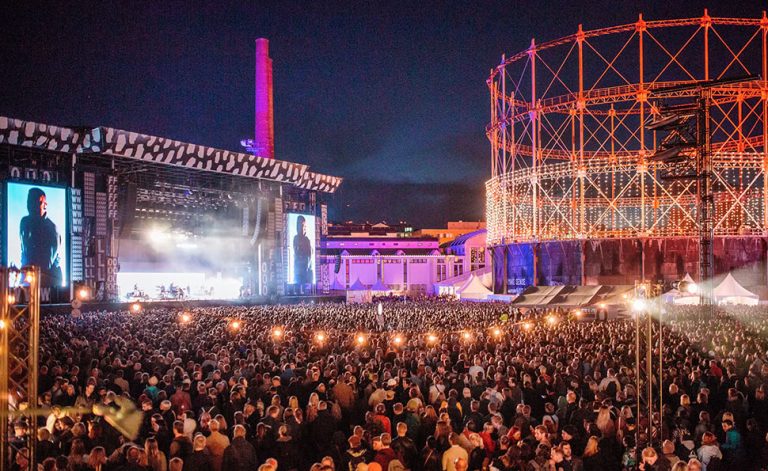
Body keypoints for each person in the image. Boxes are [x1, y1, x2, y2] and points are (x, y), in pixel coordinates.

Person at [19, 187, 62, 287]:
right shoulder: (25, 222)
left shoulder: (51, 228)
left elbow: (46, 263)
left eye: (34, 201)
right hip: (31, 279)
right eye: (29, 201)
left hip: (49, 283)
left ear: (44, 204)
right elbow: (24, 250)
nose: (30, 205)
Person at [292, 215, 313, 289]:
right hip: (299, 271)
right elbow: (297, 252)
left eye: (304, 225)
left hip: (306, 271)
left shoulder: (307, 240)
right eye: (301, 225)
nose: (303, 227)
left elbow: (309, 255)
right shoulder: (296, 238)